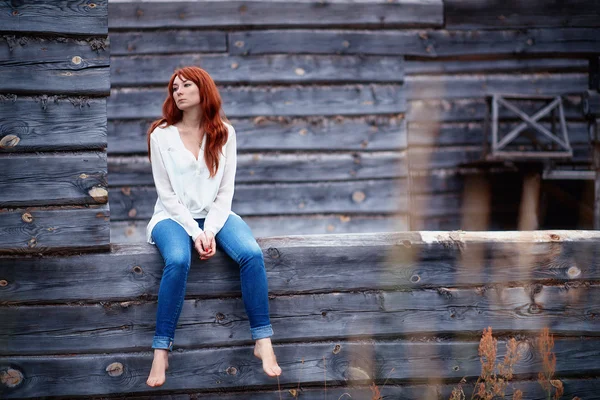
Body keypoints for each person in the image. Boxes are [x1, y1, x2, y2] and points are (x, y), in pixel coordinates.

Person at [144, 66, 281, 387]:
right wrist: (196, 232)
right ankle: (161, 349)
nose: (178, 91)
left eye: (186, 85)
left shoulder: (225, 133)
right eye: (174, 87)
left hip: (216, 214)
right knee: (178, 260)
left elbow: (225, 192)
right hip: (171, 217)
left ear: (203, 90)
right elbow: (166, 195)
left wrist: (211, 227)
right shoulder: (160, 135)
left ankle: (263, 341)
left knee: (251, 253)